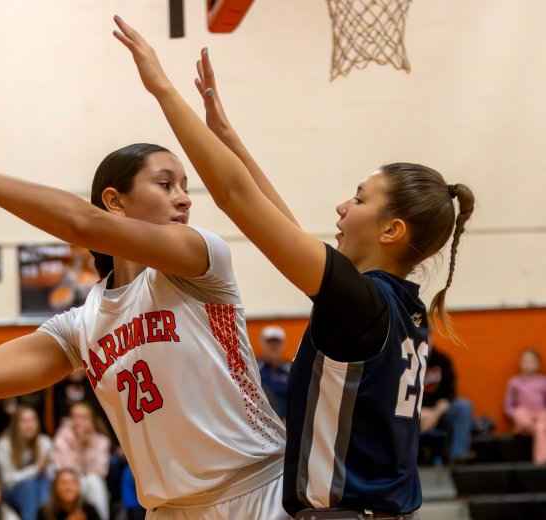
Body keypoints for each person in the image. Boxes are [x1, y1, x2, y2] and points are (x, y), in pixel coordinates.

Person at [113, 15, 474, 519]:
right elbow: (284, 228)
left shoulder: (362, 304)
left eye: (359, 198)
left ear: (392, 230)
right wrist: (226, 136)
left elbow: (236, 197)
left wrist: (162, 89)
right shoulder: (394, 307)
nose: (342, 207)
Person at [0, 127, 287, 518]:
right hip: (169, 509)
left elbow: (81, 223)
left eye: (184, 187)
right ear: (115, 202)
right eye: (165, 184)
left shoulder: (201, 262)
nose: (184, 198)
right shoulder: (82, 325)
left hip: (257, 488)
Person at [52, 402, 110, 520]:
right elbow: (65, 470)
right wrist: (78, 444)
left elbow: (100, 471)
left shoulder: (102, 441)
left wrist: (87, 445)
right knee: (74, 482)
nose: (80, 422)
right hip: (70, 483)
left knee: (94, 481)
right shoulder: (61, 438)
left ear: (92, 420)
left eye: (84, 417)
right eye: (76, 417)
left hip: (91, 483)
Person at [420, 338, 475, 463]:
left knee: (463, 406)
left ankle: (458, 457)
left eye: (429, 335)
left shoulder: (443, 361)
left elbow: (449, 394)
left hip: (438, 413)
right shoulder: (404, 361)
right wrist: (419, 414)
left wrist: (434, 414)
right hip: (412, 415)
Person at [0, 405, 53, 520]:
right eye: (25, 421)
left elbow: (51, 474)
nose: (30, 425)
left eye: (33, 420)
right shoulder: (3, 444)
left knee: (46, 482)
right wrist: (36, 468)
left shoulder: (45, 442)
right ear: (15, 424)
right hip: (11, 491)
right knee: (29, 485)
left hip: (39, 488)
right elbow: (7, 479)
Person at [504, 348, 546, 464]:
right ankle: (526, 428)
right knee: (520, 414)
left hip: (540, 415)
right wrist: (514, 414)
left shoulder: (543, 381)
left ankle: (541, 460)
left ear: (538, 364)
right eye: (525, 361)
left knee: (541, 425)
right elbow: (508, 406)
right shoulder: (514, 382)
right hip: (524, 415)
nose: (528, 364)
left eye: (531, 361)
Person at [257, 326, 290, 420]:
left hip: (287, 422)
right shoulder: (254, 370)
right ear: (262, 344)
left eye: (277, 343)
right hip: (261, 421)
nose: (274, 346)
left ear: (283, 345)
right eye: (270, 342)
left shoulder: (290, 371)